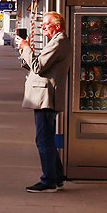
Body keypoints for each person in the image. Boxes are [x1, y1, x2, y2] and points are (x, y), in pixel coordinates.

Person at [17, 11, 70, 192]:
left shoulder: (58, 42)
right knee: (47, 138)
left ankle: (48, 181)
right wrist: (24, 52)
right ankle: (57, 177)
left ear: (56, 25)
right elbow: (38, 64)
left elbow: (38, 67)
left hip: (46, 98)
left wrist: (26, 47)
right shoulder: (57, 41)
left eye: (46, 25)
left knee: (43, 139)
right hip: (45, 97)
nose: (43, 28)